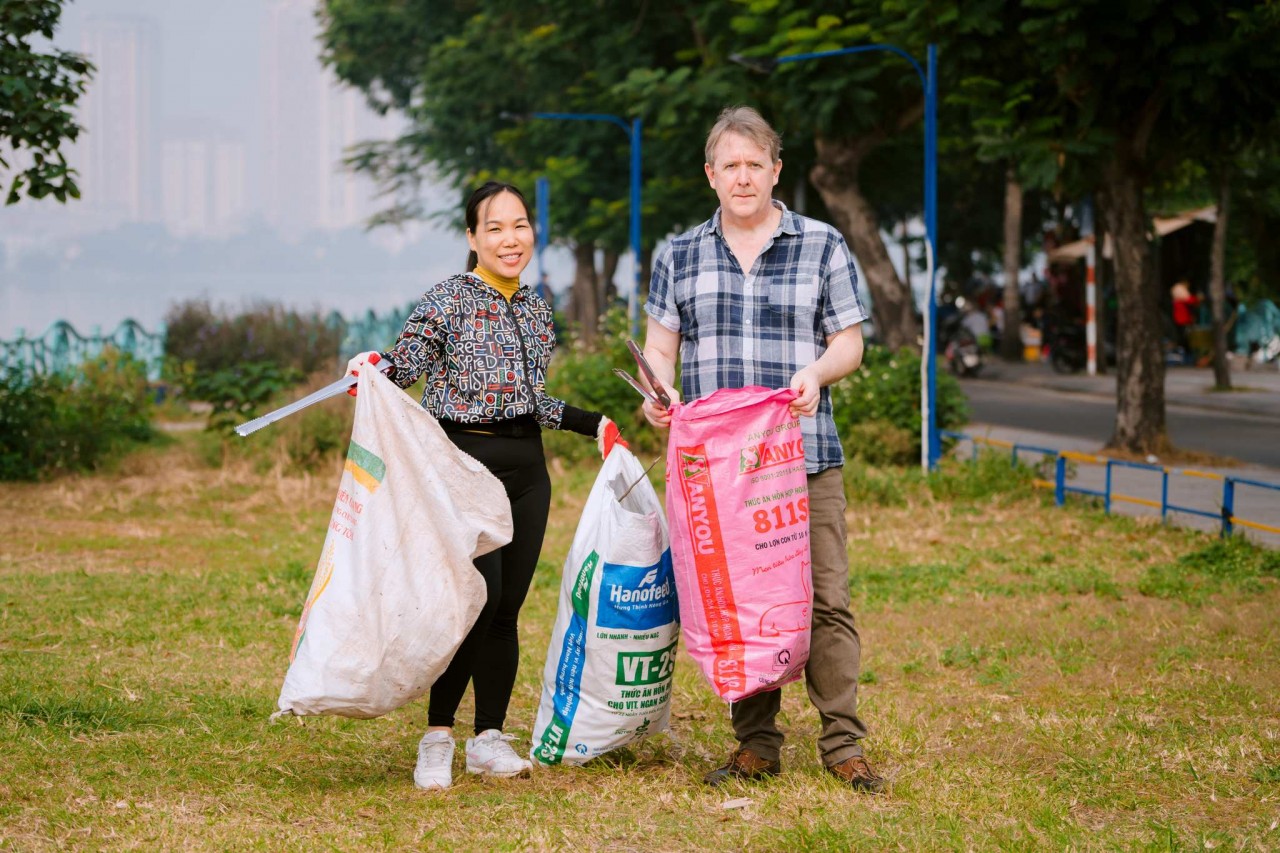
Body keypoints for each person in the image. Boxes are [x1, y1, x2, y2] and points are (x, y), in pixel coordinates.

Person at [345, 181, 624, 790]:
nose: (510, 238)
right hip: (463, 467)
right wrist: (373, 368)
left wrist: (590, 423)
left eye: (520, 225)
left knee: (508, 609)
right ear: (472, 238)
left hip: (528, 469)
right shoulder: (446, 300)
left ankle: (489, 738)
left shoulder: (535, 306)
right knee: (477, 603)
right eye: (494, 227)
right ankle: (437, 737)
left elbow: (526, 396)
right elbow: (406, 362)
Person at [640, 106, 883, 793]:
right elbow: (661, 349)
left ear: (776, 171)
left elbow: (849, 342)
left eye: (756, 164)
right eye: (730, 166)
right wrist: (656, 396)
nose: (742, 177)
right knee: (737, 600)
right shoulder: (678, 255)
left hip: (805, 454)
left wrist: (816, 373)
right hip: (718, 472)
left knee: (826, 597)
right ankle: (756, 744)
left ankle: (844, 742)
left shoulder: (823, 244)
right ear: (710, 175)